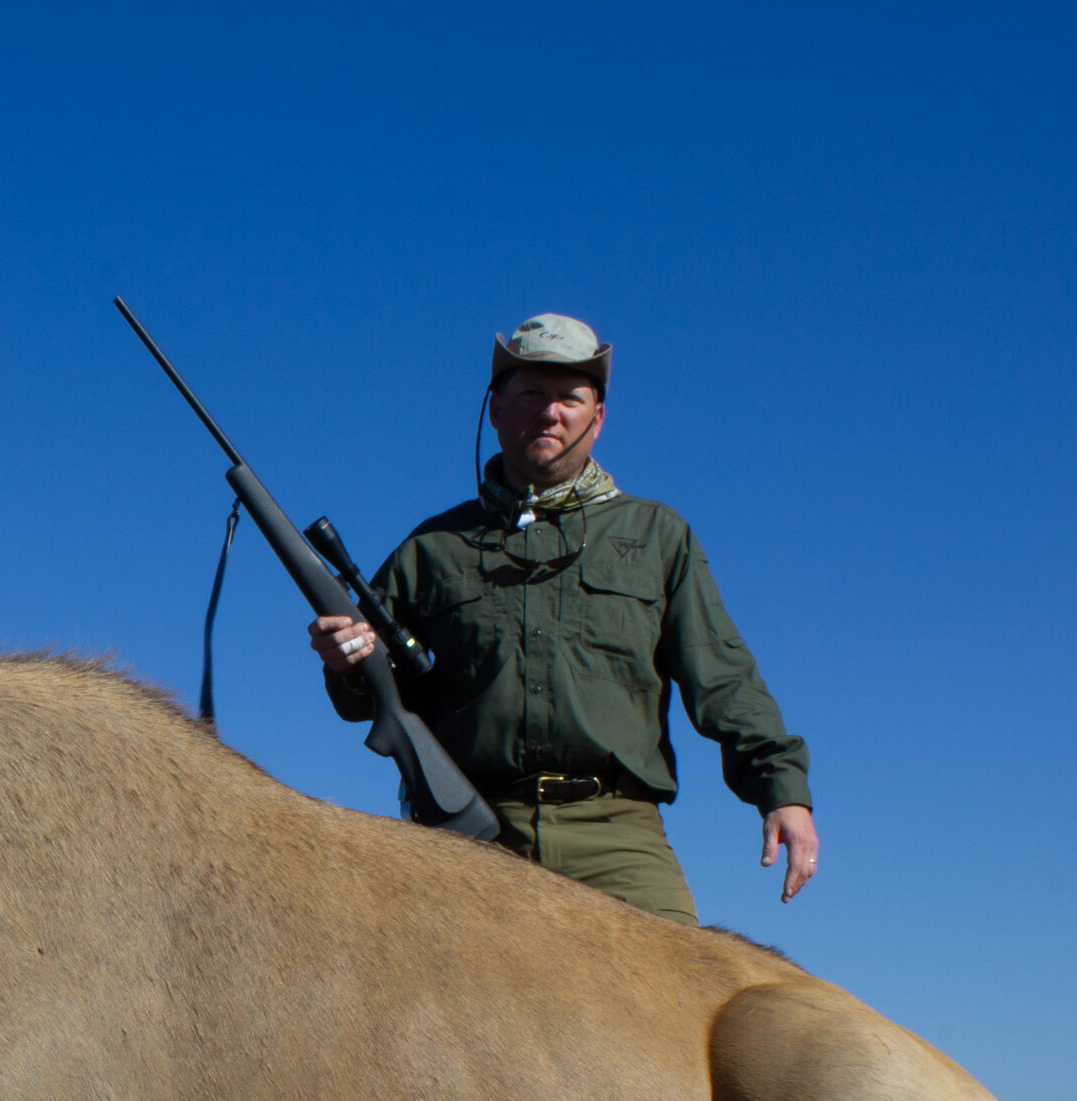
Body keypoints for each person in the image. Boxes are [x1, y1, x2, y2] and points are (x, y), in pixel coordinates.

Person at [310, 314, 815, 922]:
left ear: (597, 419)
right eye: (530, 394)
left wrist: (782, 793)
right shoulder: (430, 549)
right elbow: (366, 696)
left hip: (616, 836)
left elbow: (724, 677)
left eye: (569, 397)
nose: (549, 412)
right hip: (468, 839)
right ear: (494, 410)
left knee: (674, 1002)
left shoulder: (657, 536)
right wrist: (345, 662)